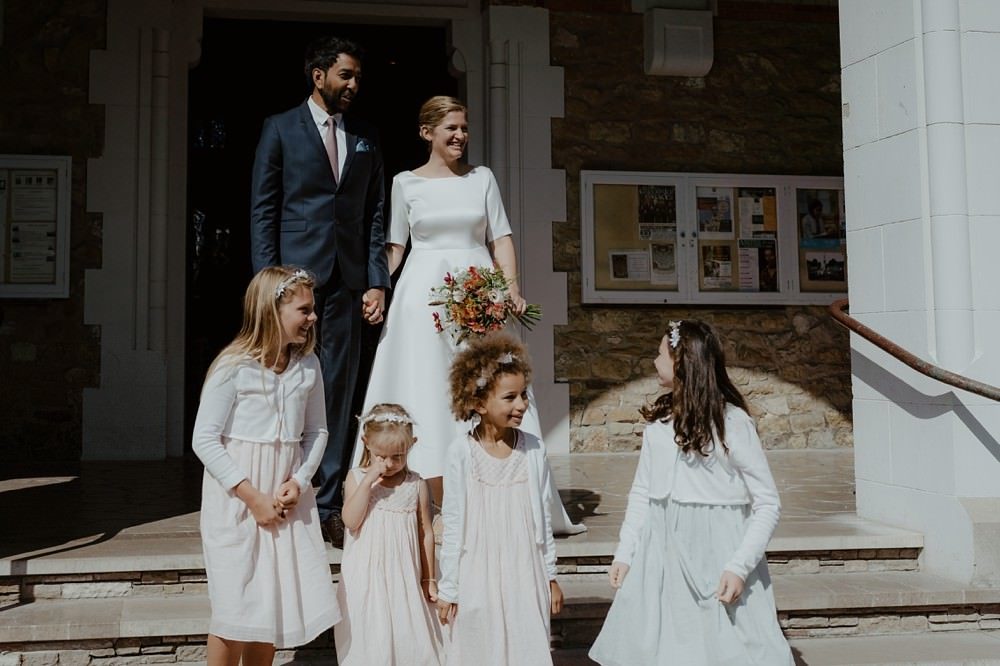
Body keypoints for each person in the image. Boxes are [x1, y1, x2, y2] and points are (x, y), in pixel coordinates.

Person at [355, 95, 584, 534]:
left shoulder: (482, 179)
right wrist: (376, 286)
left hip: (479, 296)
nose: (460, 136)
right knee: (427, 390)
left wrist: (510, 287)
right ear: (427, 133)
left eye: (464, 128)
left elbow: (501, 238)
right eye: (451, 129)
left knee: (490, 386)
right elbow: (397, 246)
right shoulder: (405, 182)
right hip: (423, 298)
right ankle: (434, 500)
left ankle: (502, 491)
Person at [250, 36, 391, 548]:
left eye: (357, 77)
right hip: (292, 286)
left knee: (337, 389)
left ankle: (327, 503)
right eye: (346, 76)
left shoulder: (367, 137)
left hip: (349, 284)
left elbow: (376, 215)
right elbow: (264, 209)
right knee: (283, 386)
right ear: (319, 75)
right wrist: (269, 284)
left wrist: (377, 279)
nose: (354, 85)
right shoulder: (280, 129)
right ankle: (278, 490)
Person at [588, 320, 793, 666]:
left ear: (682, 362)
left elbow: (767, 503)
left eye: (660, 354)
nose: (654, 362)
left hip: (715, 554)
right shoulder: (658, 425)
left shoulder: (733, 424)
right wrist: (625, 553)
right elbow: (642, 494)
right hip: (662, 555)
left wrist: (739, 566)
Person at [192, 266, 340, 665]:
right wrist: (251, 496)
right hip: (237, 501)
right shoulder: (233, 367)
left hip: (284, 499)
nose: (312, 318)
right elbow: (204, 439)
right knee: (234, 606)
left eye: (313, 309)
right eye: (304, 310)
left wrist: (300, 479)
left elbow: (317, 431)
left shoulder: (308, 367)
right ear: (272, 310)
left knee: (267, 608)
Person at [437, 333, 564, 666]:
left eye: (524, 395)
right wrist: (449, 587)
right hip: (477, 571)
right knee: (478, 647)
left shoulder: (533, 449)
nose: (521, 404)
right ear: (479, 404)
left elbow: (544, 519)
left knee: (526, 647)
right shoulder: (461, 453)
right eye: (510, 397)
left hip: (525, 570)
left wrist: (550, 576)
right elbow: (452, 524)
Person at [334, 403, 444, 665]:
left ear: (412, 445)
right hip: (367, 577)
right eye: (381, 456)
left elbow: (425, 532)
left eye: (398, 456)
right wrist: (368, 481)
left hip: (405, 575)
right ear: (366, 443)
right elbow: (351, 520)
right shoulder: (356, 477)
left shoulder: (416, 484)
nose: (390, 464)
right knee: (370, 637)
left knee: (408, 636)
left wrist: (428, 578)